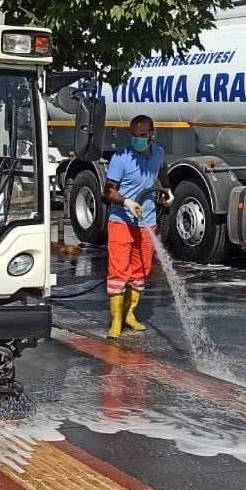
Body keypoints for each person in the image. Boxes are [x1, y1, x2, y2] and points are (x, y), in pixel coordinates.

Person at [104, 115, 169, 338]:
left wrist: (167, 191)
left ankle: (130, 315)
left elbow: (162, 171)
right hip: (121, 221)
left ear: (152, 134)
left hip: (147, 222)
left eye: (142, 135)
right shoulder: (120, 158)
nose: (138, 139)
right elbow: (109, 190)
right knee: (119, 271)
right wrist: (127, 202)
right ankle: (116, 321)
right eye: (134, 135)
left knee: (141, 271)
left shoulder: (158, 152)